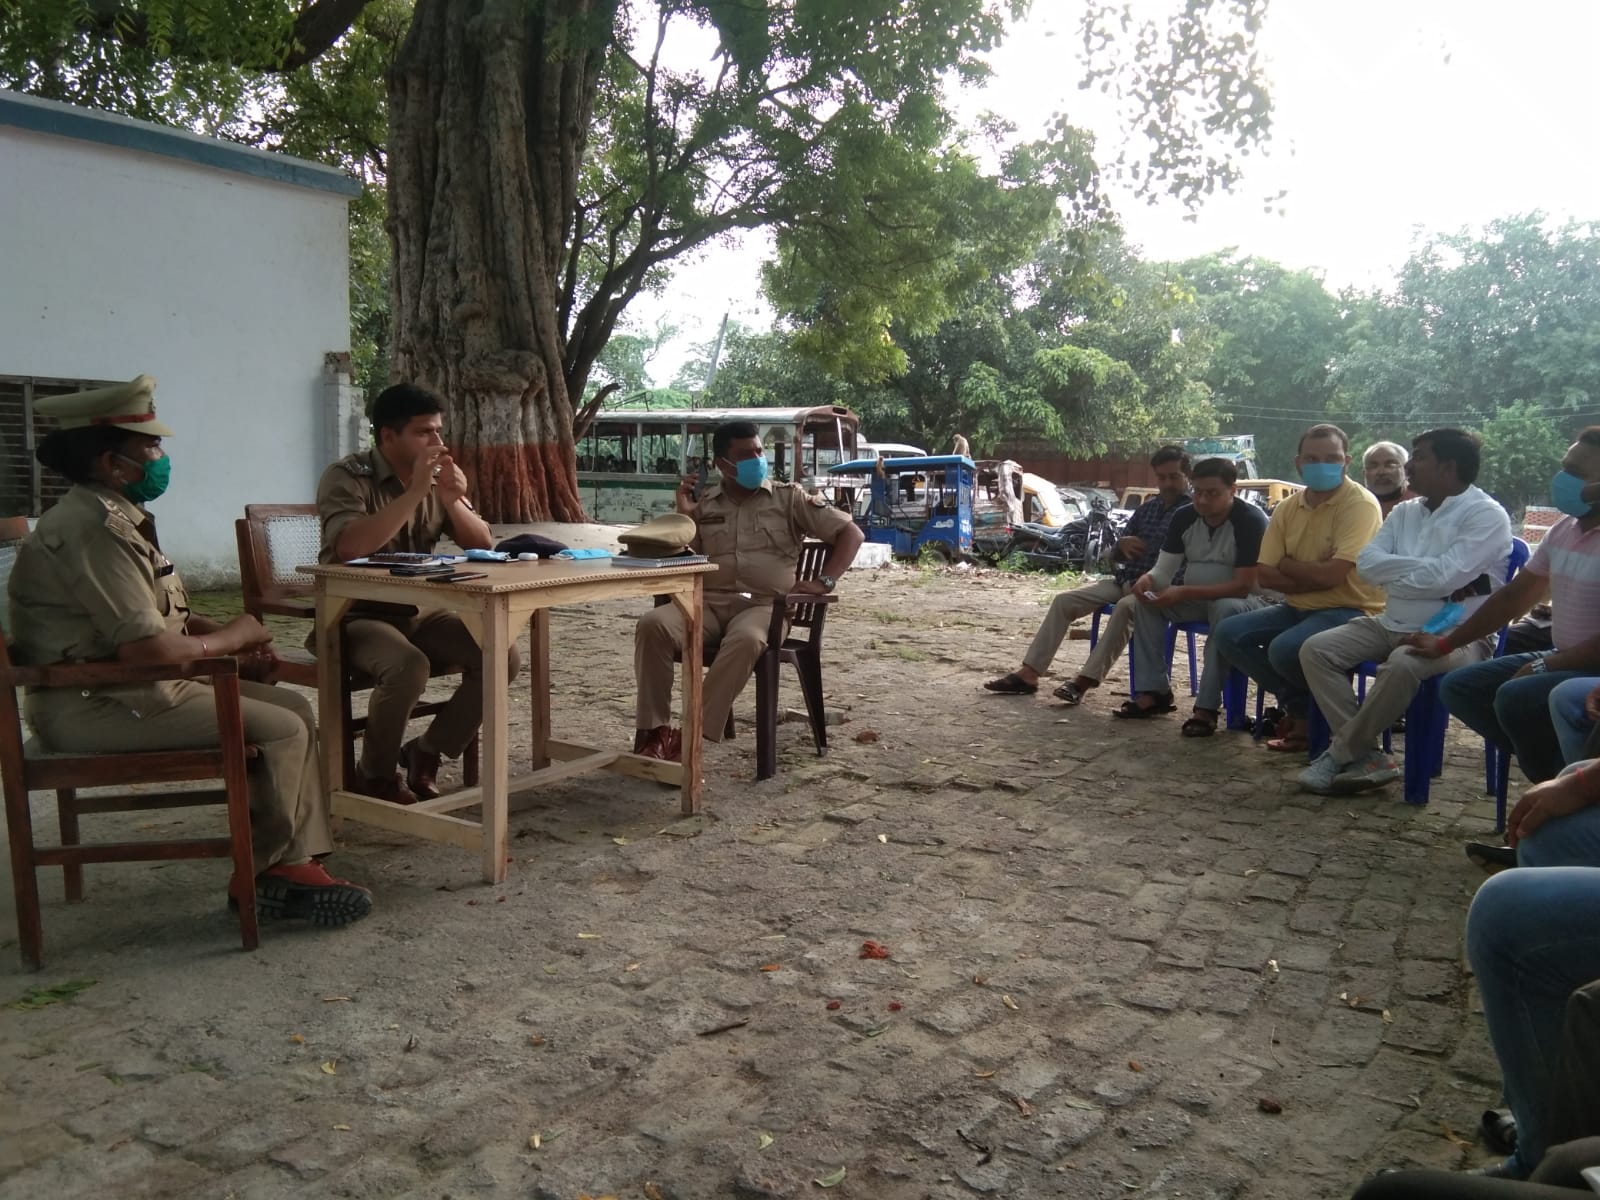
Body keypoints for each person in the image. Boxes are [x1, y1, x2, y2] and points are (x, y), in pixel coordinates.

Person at [7, 376, 371, 925]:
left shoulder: (115, 516)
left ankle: (291, 859)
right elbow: (147, 650)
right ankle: (274, 873)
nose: (160, 459)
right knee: (282, 729)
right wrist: (232, 640)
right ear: (110, 463)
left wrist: (232, 643)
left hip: (126, 688)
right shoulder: (94, 530)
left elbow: (160, 616)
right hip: (93, 703)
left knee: (294, 709)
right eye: (150, 447)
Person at [316, 382, 518, 805]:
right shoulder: (347, 476)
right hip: (353, 614)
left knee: (500, 652)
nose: (438, 442)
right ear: (389, 436)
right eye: (424, 432)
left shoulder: (435, 479)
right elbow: (350, 547)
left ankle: (427, 751)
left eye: (439, 431)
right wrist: (413, 494)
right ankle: (374, 775)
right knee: (408, 665)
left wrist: (454, 500)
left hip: (418, 610)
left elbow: (482, 543)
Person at [632, 420, 864, 761]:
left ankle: (690, 736)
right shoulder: (706, 503)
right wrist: (685, 517)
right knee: (652, 625)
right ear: (722, 464)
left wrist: (825, 581)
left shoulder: (789, 498)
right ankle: (654, 734)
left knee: (747, 639)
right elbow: (687, 560)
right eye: (746, 455)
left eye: (758, 451)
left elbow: (852, 534)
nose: (757, 459)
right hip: (708, 604)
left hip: (764, 608)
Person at [1297, 429, 1512, 793]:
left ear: (1448, 467)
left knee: (1402, 664)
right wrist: (1426, 573)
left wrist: (1398, 576)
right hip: (1391, 621)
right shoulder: (1405, 512)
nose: (1408, 465)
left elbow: (1443, 579)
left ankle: (1340, 753)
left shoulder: (1486, 516)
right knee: (1316, 650)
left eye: (1419, 457)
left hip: (1458, 633)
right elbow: (1368, 566)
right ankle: (1369, 755)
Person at [1408, 429, 1600, 787]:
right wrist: (1447, 644)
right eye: (1564, 468)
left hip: (1589, 667)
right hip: (1564, 655)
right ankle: (1556, 779)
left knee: (1516, 697)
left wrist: (1544, 664)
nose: (1563, 480)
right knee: (1460, 687)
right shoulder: (1564, 529)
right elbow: (1514, 597)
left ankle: (1564, 790)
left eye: (1576, 474)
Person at [1209, 424, 1385, 751]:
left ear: (1346, 461)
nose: (1322, 465)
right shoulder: (1288, 508)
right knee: (1228, 633)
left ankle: (1309, 722)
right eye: (1312, 458)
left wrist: (1289, 566)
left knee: (1284, 649)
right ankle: (1303, 709)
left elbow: (1334, 576)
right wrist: (1313, 574)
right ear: (1298, 463)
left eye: (1331, 458)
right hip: (1297, 606)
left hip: (1350, 609)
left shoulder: (1360, 504)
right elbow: (1266, 575)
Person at [984, 446, 1192, 704]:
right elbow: (1112, 555)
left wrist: (1160, 586)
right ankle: (1029, 674)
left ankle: (1083, 681)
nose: (1167, 483)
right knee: (1064, 601)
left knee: (1125, 609)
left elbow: (1192, 563)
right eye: (1161, 477)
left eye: (1174, 477)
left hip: (1158, 589)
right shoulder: (1147, 509)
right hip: (1125, 580)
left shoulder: (1193, 512)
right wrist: (1121, 546)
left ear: (1187, 476)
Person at [1117, 457, 1270, 734]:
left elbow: (1243, 586)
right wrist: (1148, 579)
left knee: (1224, 609)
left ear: (1232, 490)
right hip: (1198, 600)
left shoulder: (1250, 520)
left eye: (1212, 493)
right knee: (1145, 604)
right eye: (1198, 492)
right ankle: (1154, 691)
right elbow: (1164, 569)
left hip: (1250, 603)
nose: (1202, 500)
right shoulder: (1185, 516)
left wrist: (1184, 591)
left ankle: (1207, 707)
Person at [1362, 440, 1416, 518]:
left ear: (1406, 470)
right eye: (1373, 466)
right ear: (1364, 473)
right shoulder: (1356, 505)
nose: (1381, 472)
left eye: (1390, 465)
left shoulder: (1422, 503)